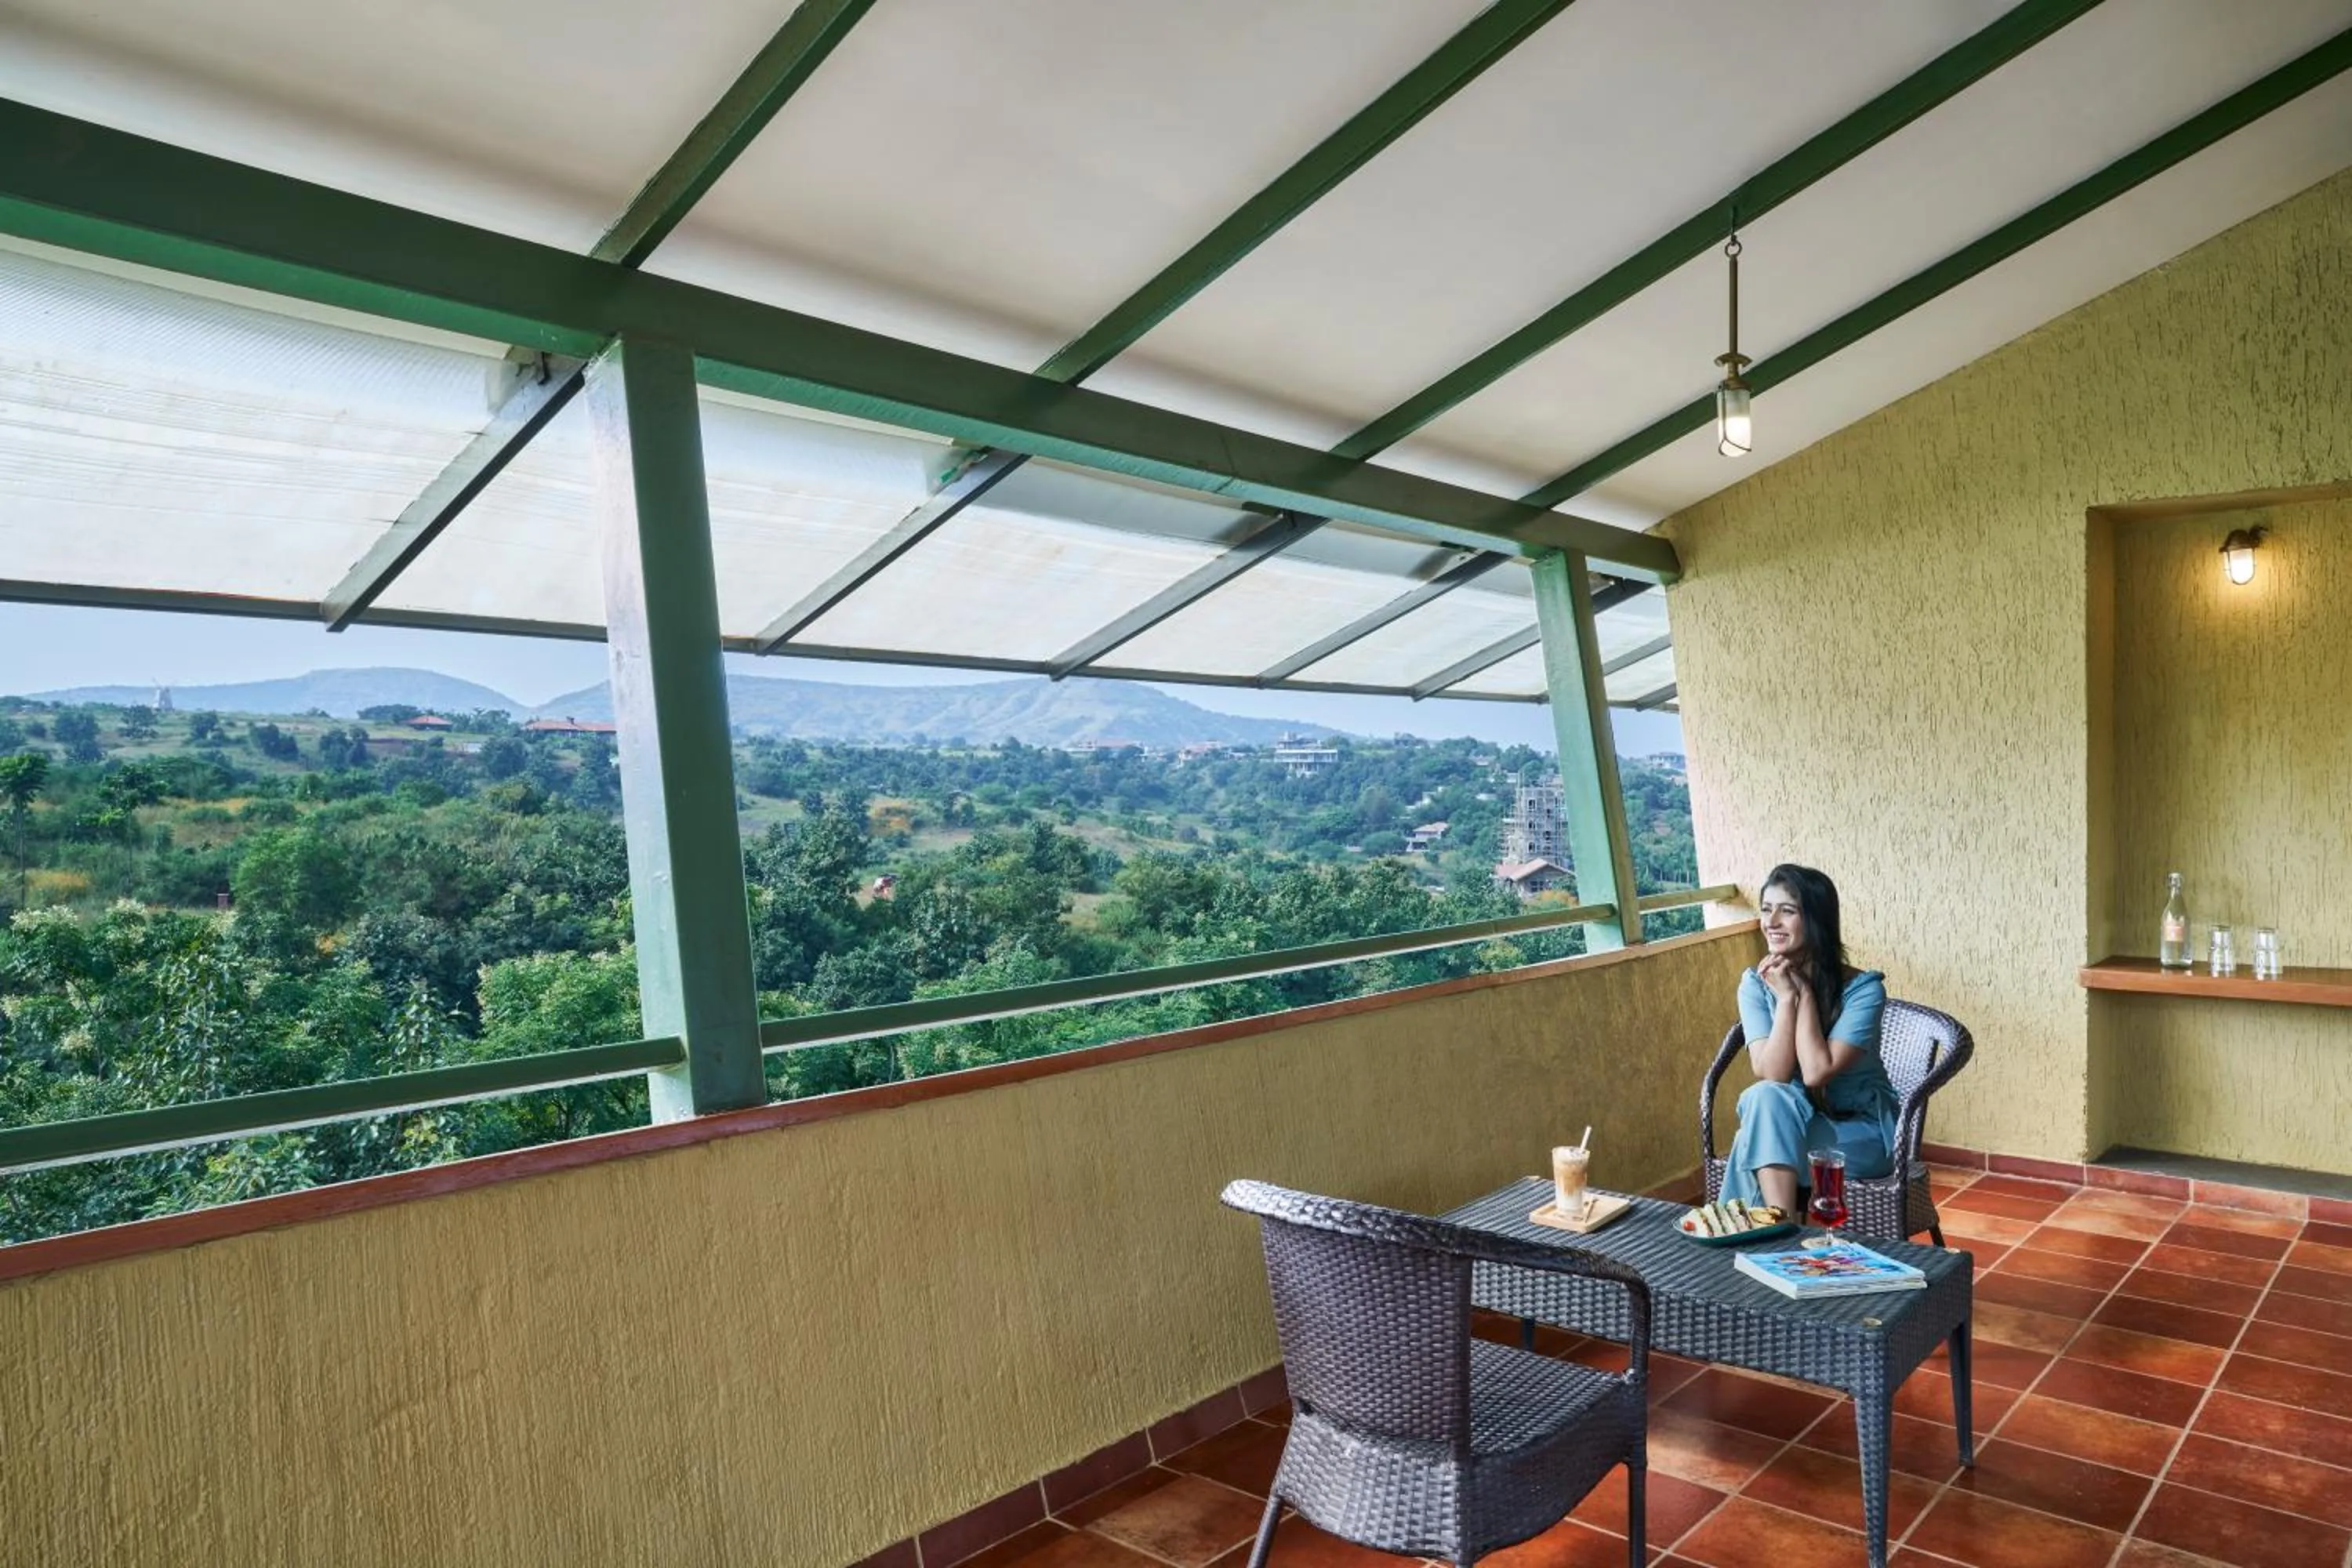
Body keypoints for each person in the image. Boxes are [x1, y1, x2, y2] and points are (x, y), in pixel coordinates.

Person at [1719, 864, 1896, 1215]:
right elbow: (1772, 1073)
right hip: (1794, 1122)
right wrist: (1786, 1000)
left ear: (1817, 921)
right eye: (1767, 910)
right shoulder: (1756, 985)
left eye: (1787, 911)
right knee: (1763, 1097)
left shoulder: (1864, 991)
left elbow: (1817, 1071)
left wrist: (1806, 996)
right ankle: (1781, 1227)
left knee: (1749, 1143)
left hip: (1858, 1133)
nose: (1772, 922)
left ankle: (1763, 1237)